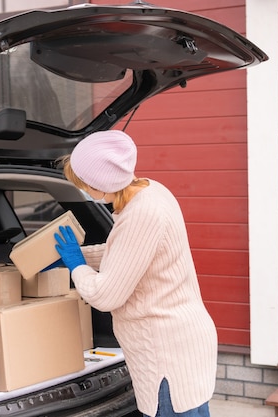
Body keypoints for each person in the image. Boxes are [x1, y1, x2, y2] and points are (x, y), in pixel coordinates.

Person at [53, 130, 218, 417]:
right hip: (182, 339)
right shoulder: (152, 191)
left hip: (166, 353)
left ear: (100, 184)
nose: (84, 191)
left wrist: (76, 264)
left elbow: (104, 296)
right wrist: (79, 258)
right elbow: (130, 253)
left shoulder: (141, 215)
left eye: (83, 185)